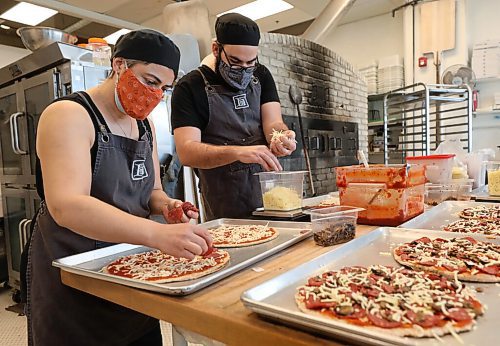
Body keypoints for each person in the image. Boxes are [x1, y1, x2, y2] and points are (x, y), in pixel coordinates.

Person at [26, 29, 212, 346]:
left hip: (130, 267)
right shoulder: (69, 115)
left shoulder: (144, 126)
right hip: (74, 272)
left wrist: (168, 205)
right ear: (120, 65)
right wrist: (157, 234)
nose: (155, 95)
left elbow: (151, 191)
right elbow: (67, 205)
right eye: (150, 81)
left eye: (164, 88)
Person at [171, 13, 297, 221]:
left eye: (250, 63)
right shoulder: (189, 87)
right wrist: (238, 152)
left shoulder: (262, 75)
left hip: (269, 187)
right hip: (224, 195)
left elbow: (273, 122)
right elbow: (187, 151)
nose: (244, 70)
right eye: (236, 63)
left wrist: (281, 136)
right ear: (216, 49)